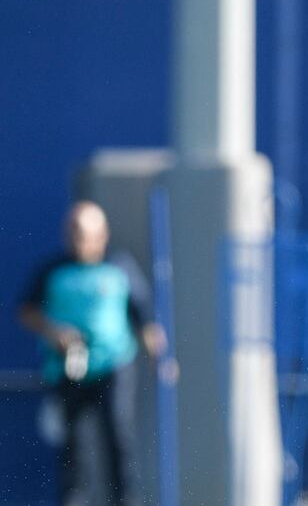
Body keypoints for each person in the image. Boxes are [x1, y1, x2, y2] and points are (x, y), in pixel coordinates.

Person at [18, 200, 166, 506]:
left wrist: (158, 356)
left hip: (114, 366)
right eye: (71, 232)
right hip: (69, 368)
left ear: (101, 235)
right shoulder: (53, 269)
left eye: (82, 233)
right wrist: (55, 333)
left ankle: (124, 501)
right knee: (74, 446)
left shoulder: (119, 267)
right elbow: (27, 311)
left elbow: (143, 317)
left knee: (117, 438)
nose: (76, 240)